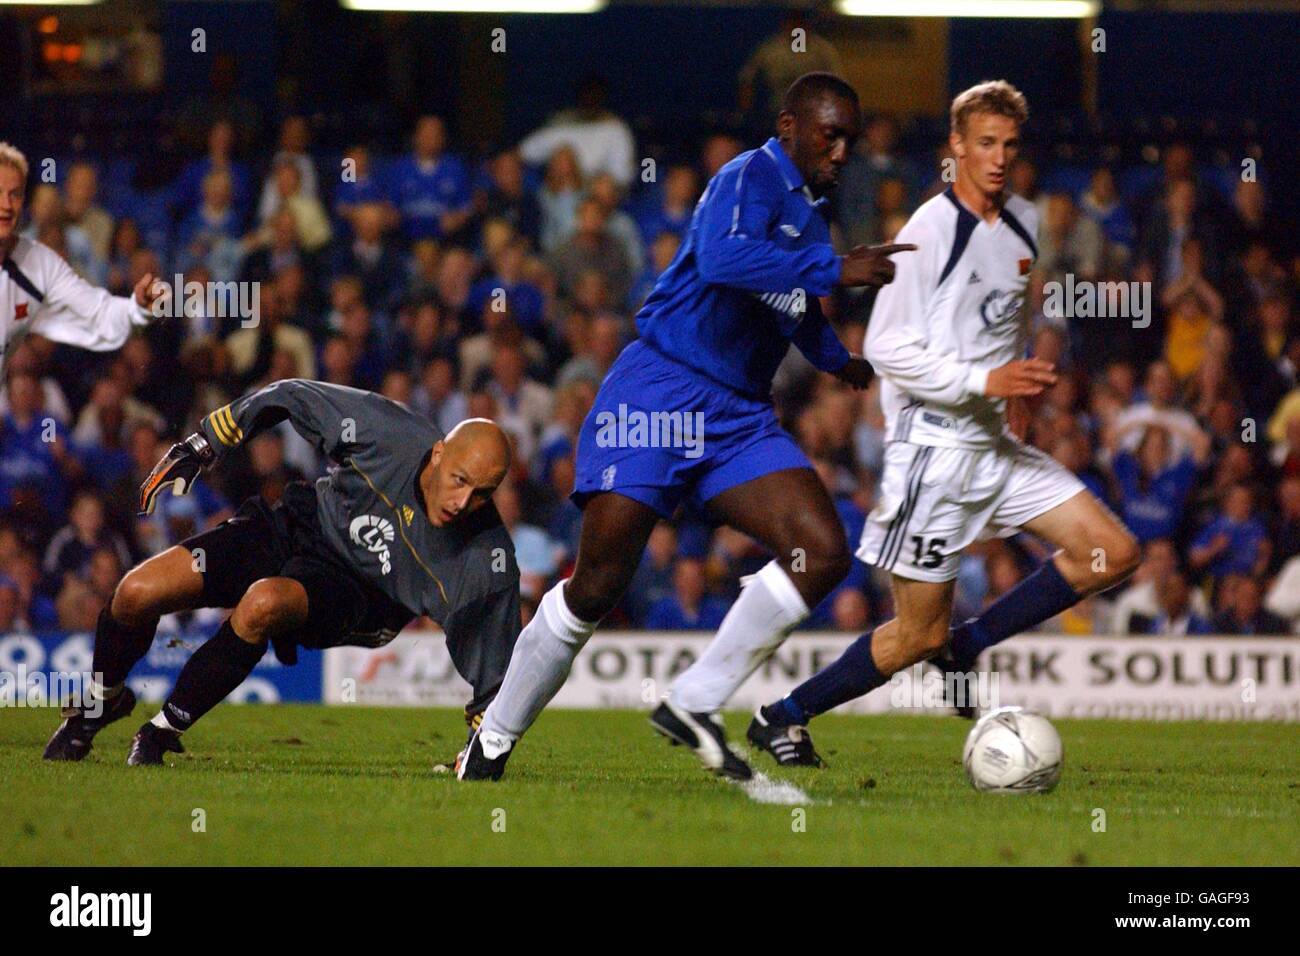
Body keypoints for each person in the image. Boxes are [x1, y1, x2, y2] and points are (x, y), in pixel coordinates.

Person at [457, 72, 908, 782]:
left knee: (821, 551)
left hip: (738, 418)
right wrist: (834, 267)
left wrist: (838, 360)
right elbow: (727, 260)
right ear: (790, 126)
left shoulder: (809, 214)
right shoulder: (747, 175)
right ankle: (490, 742)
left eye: (851, 136)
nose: (843, 148)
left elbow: (791, 306)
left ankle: (695, 699)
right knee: (598, 584)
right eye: (832, 132)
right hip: (660, 393)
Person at [749, 81, 1140, 768]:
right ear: (956, 147)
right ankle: (782, 715)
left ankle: (974, 642)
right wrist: (983, 381)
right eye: (984, 143)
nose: (997, 157)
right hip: (933, 453)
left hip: (993, 443)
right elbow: (889, 347)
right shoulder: (930, 228)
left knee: (1110, 552)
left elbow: (1000, 320)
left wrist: (1011, 389)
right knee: (916, 637)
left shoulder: (1021, 223)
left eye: (1008, 145)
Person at [43, 379, 521, 766]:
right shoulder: (385, 430)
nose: (464, 503)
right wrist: (208, 442)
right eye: (460, 481)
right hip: (297, 525)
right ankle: (99, 704)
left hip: (361, 595)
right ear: (438, 454)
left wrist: (482, 753)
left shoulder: (482, 562)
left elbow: (496, 686)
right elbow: (289, 395)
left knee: (264, 603)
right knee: (136, 591)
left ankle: (163, 731)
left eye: (484, 493)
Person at [0, 142, 164, 379]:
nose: (6, 205)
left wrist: (135, 310)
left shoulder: (44, 262)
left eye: (14, 194)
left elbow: (98, 312)